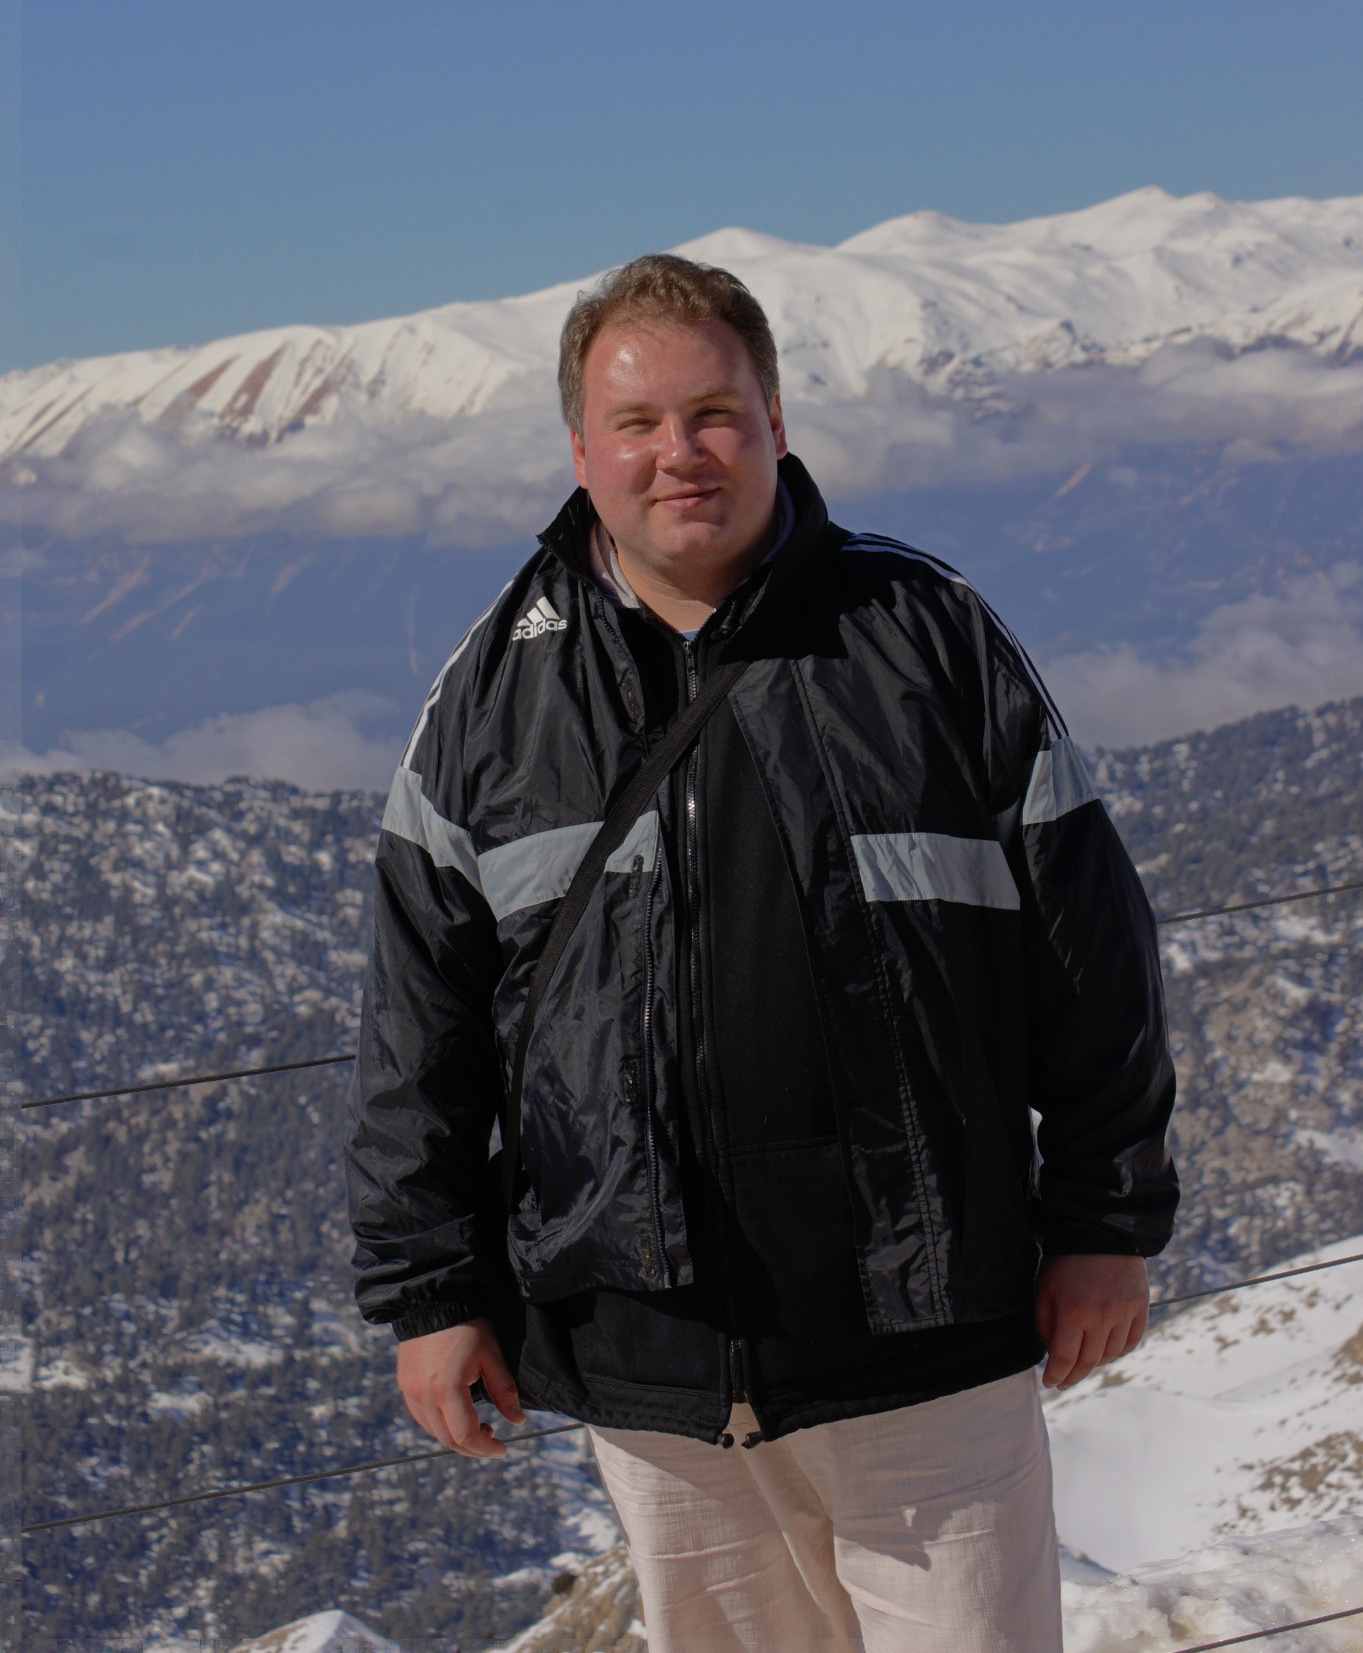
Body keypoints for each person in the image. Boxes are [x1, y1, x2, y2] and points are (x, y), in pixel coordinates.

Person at [345, 255, 1177, 1652]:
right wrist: (429, 1292)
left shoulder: (923, 636)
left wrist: (1105, 1224)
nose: (679, 453)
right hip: (652, 1367)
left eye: (715, 414)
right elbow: (418, 1023)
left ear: (776, 422)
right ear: (582, 450)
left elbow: (1092, 955)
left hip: (925, 1347)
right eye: (637, 423)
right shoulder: (493, 695)